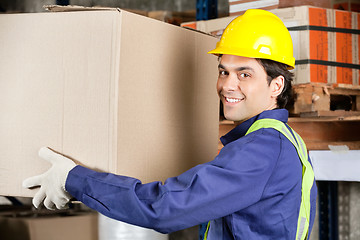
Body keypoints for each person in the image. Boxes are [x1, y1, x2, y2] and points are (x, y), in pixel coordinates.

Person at [23, 9, 317, 239]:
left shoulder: (261, 150)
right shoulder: (280, 140)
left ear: (276, 85)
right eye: (223, 71)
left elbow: (162, 210)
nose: (227, 85)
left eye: (244, 74)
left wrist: (73, 178)